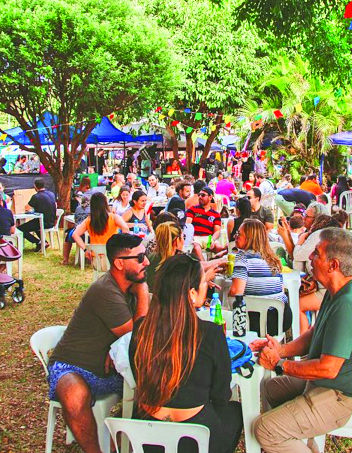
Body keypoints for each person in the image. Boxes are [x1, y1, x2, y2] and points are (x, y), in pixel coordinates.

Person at [252, 229, 352, 453]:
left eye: (316, 254)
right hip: (335, 385)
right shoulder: (338, 291)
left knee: (265, 429)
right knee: (270, 387)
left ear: (333, 265)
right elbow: (315, 333)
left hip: (348, 397)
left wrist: (279, 364)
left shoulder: (349, 304)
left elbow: (327, 369)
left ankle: (284, 438)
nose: (310, 258)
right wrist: (281, 349)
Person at [48, 234, 150, 453]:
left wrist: (115, 349)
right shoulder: (106, 290)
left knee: (154, 382)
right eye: (140, 257)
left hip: (112, 371)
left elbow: (139, 337)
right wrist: (143, 290)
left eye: (146, 255)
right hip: (74, 366)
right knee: (74, 394)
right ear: (119, 263)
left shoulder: (130, 285)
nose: (146, 262)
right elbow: (136, 337)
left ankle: (127, 443)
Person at [130, 254, 242, 453]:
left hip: (146, 437)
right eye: (203, 281)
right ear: (191, 292)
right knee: (235, 411)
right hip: (196, 440)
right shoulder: (211, 334)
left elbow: (138, 376)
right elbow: (221, 396)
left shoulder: (141, 329)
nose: (206, 285)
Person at [231, 219, 289, 336]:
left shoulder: (243, 259)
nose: (235, 236)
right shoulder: (273, 259)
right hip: (282, 318)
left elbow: (236, 292)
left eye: (239, 234)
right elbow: (280, 290)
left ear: (250, 238)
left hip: (259, 322)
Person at [72, 192, 130, 257]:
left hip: (96, 257)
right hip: (112, 256)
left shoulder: (89, 220)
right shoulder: (114, 217)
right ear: (105, 204)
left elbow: (75, 234)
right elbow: (126, 228)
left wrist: (85, 250)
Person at [18, 178, 57, 251]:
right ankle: (44, 242)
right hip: (51, 221)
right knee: (34, 225)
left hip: (42, 222)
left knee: (20, 229)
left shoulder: (36, 196)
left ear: (35, 186)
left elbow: (27, 208)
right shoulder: (51, 194)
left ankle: (38, 242)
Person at [186, 186, 225, 251]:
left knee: (219, 247)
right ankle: (203, 261)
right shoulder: (192, 209)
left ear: (210, 197)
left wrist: (212, 239)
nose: (200, 197)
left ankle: (223, 254)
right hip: (195, 238)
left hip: (209, 238)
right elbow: (187, 224)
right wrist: (190, 238)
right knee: (196, 247)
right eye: (199, 195)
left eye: (203, 195)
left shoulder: (216, 214)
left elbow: (217, 231)